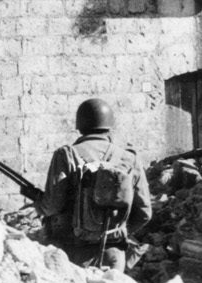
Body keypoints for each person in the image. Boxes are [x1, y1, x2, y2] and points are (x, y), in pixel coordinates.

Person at [40, 98, 152, 269]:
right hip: (113, 254)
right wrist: (116, 232)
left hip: (74, 254)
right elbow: (144, 213)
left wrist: (38, 203)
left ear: (80, 125)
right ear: (109, 126)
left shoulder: (67, 155)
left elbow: (53, 205)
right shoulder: (129, 158)